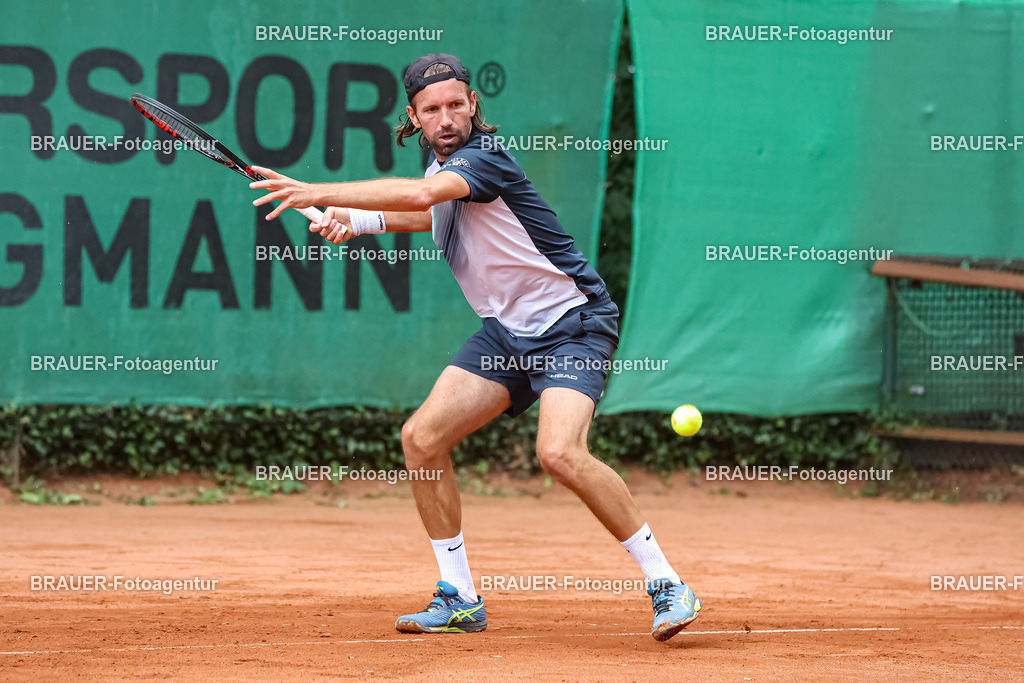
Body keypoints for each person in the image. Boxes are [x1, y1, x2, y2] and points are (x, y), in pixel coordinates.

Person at [250, 53, 701, 642]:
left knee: (560, 453)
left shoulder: (483, 158)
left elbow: (421, 197)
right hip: (506, 334)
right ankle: (459, 597)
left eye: (456, 104)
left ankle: (667, 583)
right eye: (431, 109)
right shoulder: (439, 165)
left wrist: (315, 191)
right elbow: (434, 213)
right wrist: (352, 220)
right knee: (422, 438)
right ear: (413, 116)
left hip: (572, 323)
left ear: (473, 107)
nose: (446, 117)